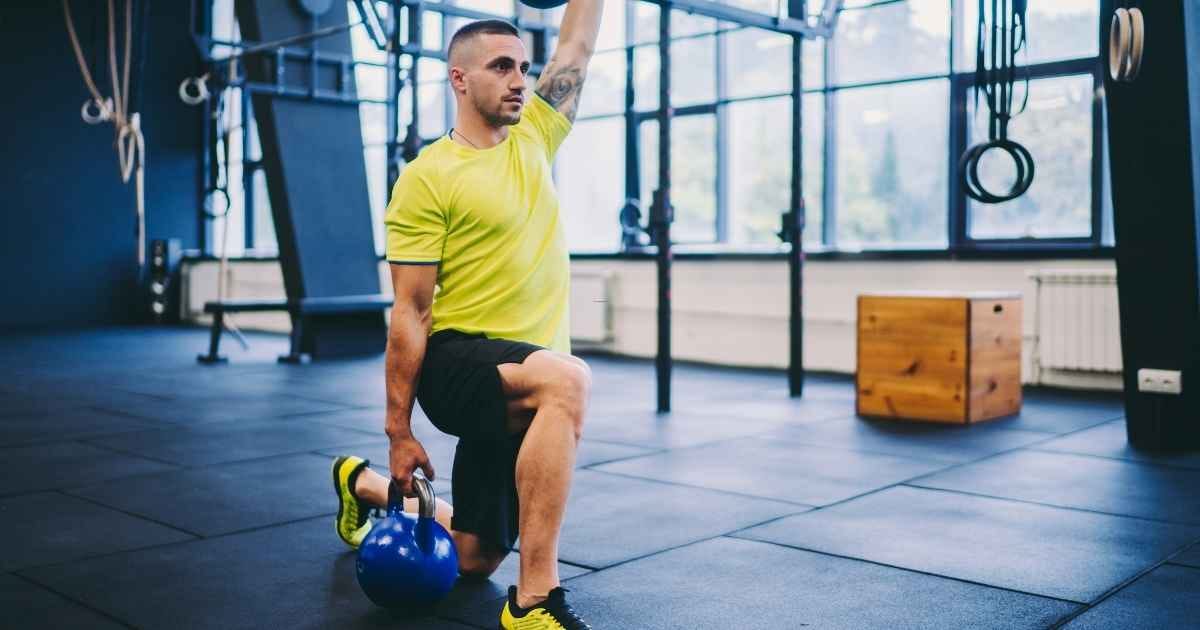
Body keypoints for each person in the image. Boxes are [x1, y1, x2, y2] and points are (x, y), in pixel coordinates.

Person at [332, 3, 604, 628]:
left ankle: (363, 485)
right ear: (459, 79)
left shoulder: (535, 135)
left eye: (523, 67)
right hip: (458, 364)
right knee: (569, 381)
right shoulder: (428, 179)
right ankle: (534, 601)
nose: (519, 80)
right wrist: (400, 433)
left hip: (521, 372)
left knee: (472, 558)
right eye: (502, 66)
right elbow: (410, 312)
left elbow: (579, 45)